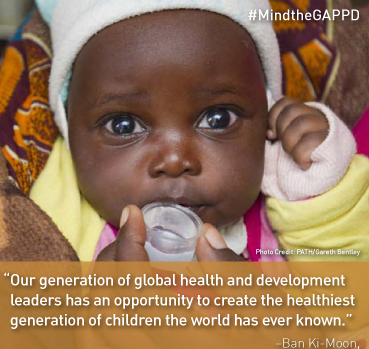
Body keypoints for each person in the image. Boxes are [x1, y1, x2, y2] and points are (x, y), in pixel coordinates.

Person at [29, 0, 369, 262]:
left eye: (218, 118)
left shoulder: (284, 210)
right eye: (124, 125)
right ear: (69, 131)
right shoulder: (60, 212)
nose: (176, 160)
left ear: (266, 119)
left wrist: (323, 189)